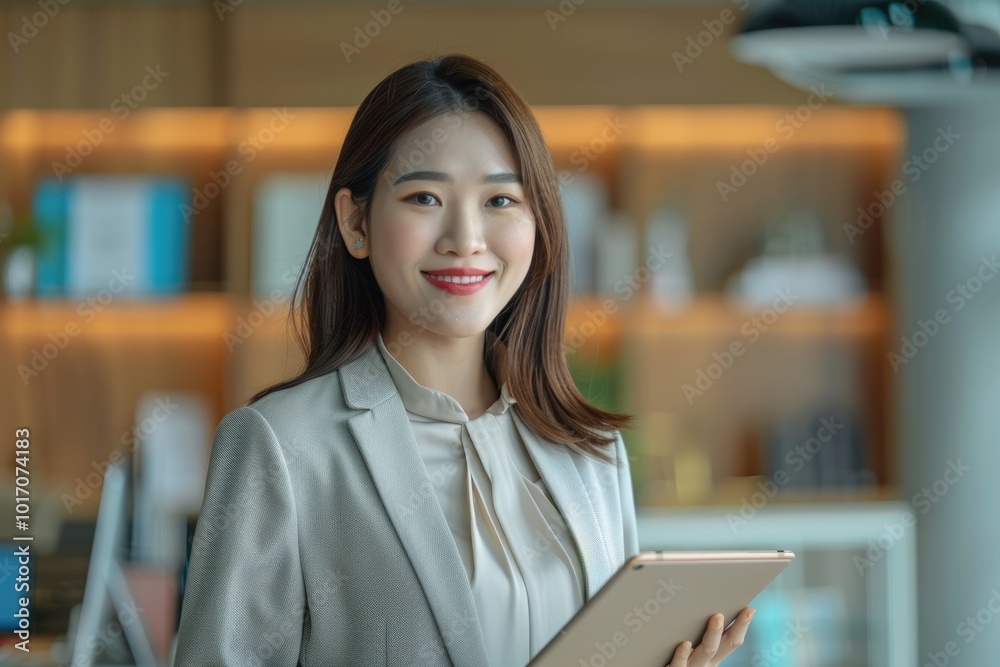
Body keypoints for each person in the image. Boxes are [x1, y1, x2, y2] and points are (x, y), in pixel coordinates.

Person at [173, 53, 754, 667]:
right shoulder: (281, 447)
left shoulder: (592, 451)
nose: (466, 238)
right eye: (425, 197)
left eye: (501, 201)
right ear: (356, 222)